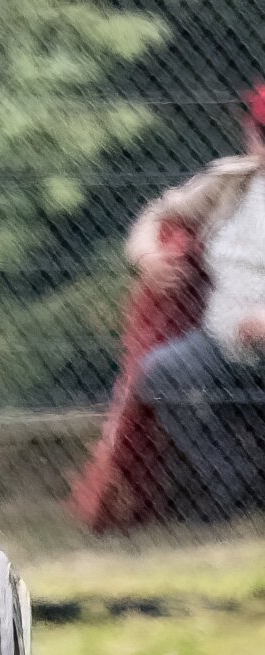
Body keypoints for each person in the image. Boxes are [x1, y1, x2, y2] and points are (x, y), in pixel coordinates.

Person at [120, 84, 265, 522]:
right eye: (261, 131)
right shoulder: (232, 182)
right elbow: (159, 212)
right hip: (223, 345)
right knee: (163, 372)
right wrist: (148, 256)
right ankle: (237, 489)